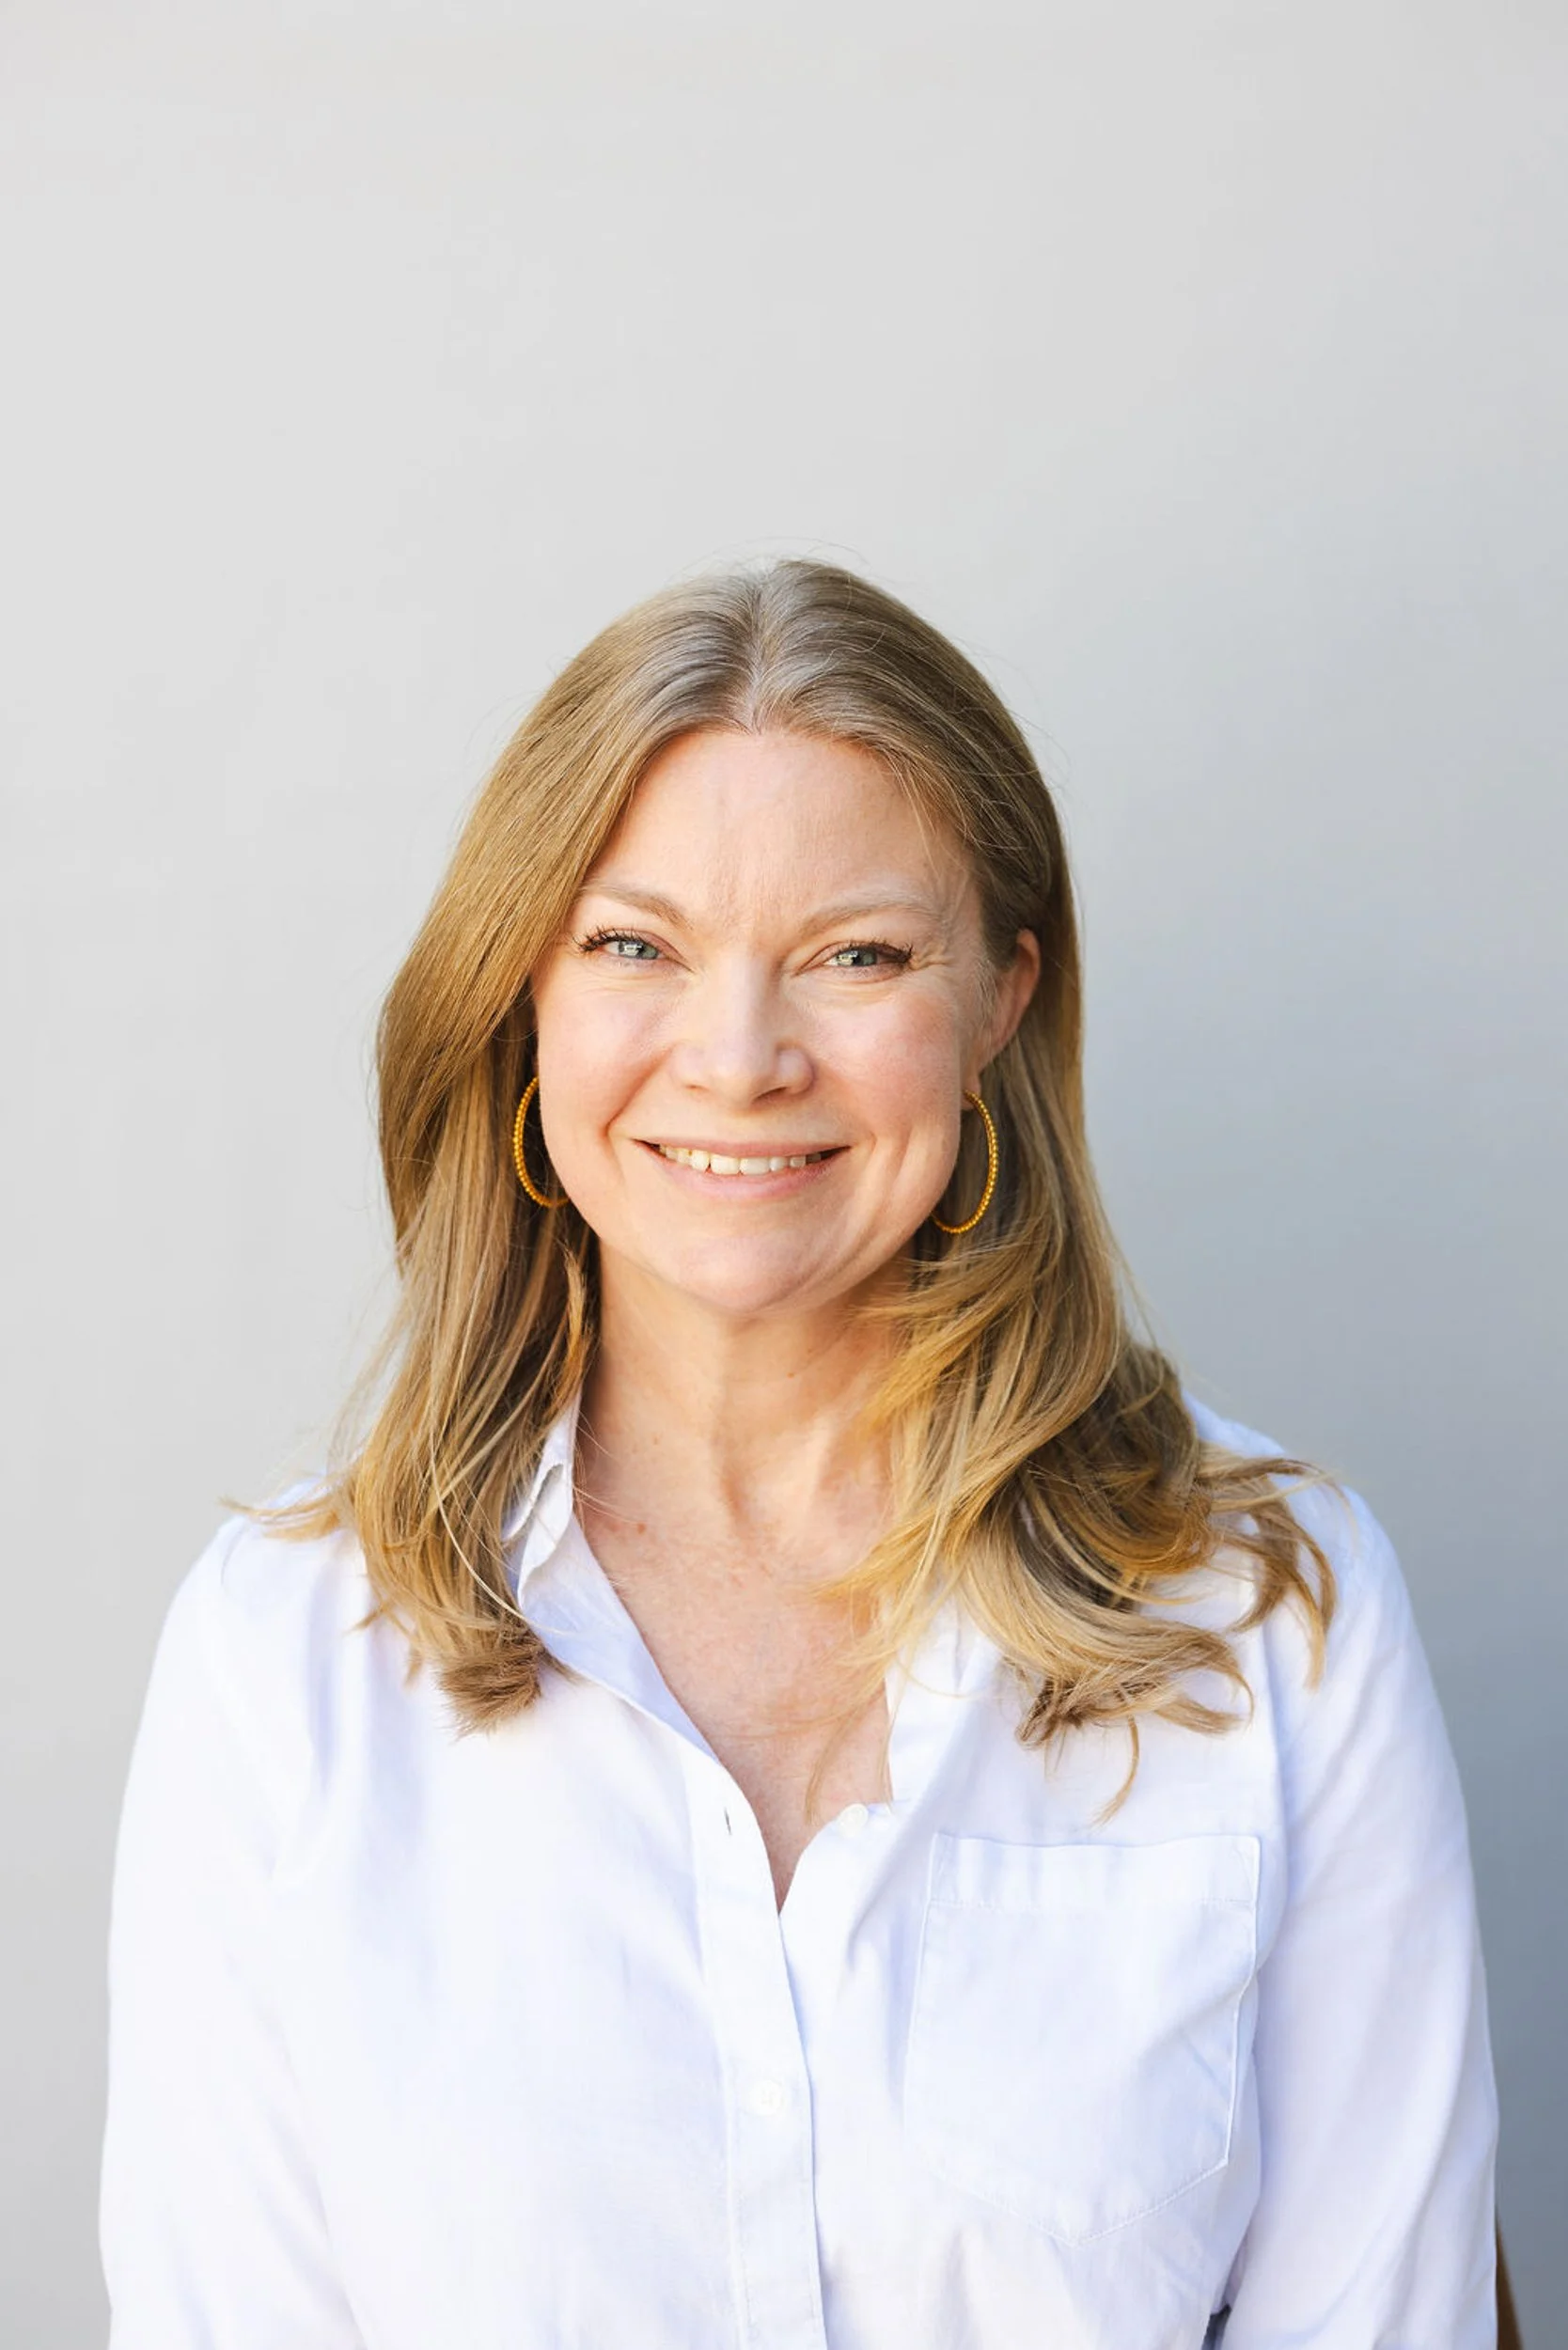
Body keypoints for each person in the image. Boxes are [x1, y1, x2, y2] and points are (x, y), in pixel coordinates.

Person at [100, 559, 1498, 2347]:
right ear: (523, 1000)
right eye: (636, 946)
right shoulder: (283, 1657)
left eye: (857, 955)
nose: (742, 1057)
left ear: (999, 1001)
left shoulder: (1273, 1622)